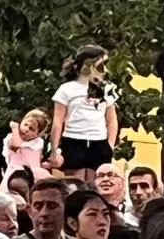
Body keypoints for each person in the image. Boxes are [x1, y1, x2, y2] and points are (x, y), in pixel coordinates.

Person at [49, 45, 118, 175]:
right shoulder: (67, 89)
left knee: (96, 180)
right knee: (75, 181)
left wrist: (110, 146)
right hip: (73, 140)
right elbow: (58, 121)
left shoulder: (107, 88)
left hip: (99, 141)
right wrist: (54, 151)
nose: (104, 69)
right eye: (101, 65)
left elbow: (112, 121)